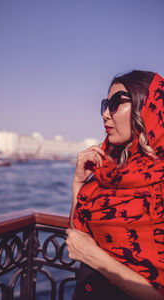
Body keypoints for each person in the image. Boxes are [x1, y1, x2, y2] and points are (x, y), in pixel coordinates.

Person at [66, 70, 164, 300]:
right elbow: (76, 237)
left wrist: (95, 258)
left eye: (115, 103)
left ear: (148, 108)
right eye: (105, 105)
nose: (105, 115)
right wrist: (78, 183)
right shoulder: (108, 172)